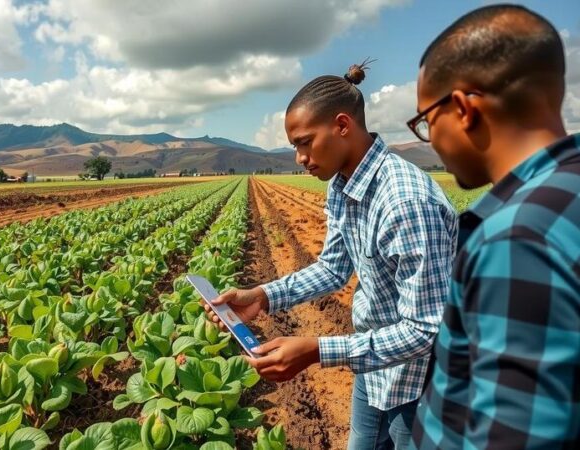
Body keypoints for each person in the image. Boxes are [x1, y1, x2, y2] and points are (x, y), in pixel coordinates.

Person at [203, 62, 458, 449]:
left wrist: (317, 351)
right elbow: (334, 268)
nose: (300, 158)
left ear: (342, 125)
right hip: (375, 366)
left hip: (423, 381)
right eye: (295, 147)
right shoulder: (342, 184)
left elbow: (425, 329)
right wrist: (262, 296)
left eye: (305, 142)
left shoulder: (404, 202)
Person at [408, 4, 580, 449]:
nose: (432, 140)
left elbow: (517, 437)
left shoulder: (516, 236)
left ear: (463, 108)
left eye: (427, 121)